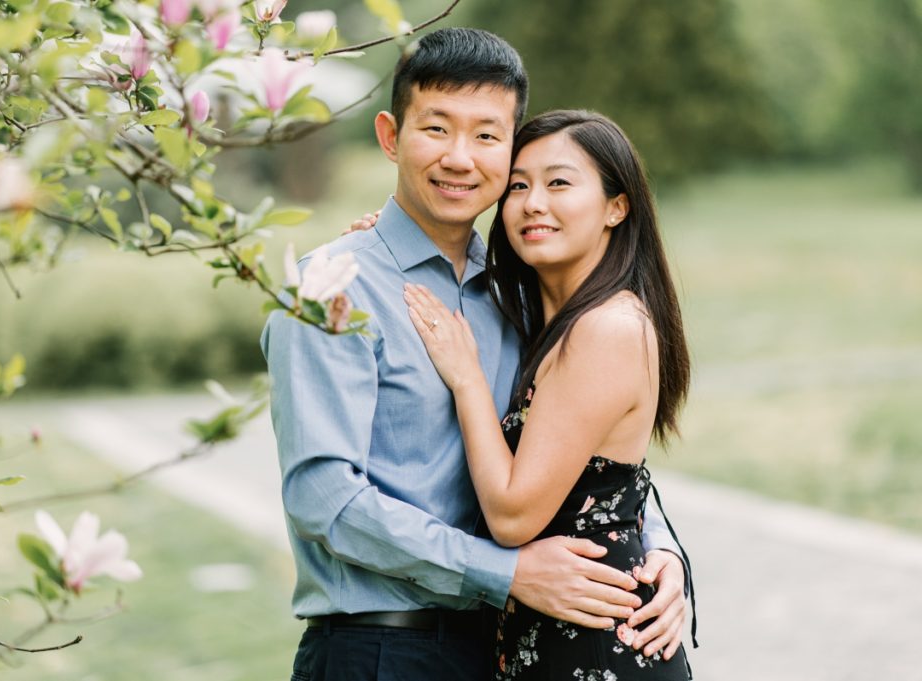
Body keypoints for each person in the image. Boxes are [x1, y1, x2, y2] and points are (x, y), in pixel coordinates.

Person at [261, 28, 689, 681]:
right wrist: (507, 572)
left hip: (504, 648)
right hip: (382, 649)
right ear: (390, 136)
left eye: (487, 135)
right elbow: (324, 497)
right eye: (436, 128)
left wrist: (662, 548)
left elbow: (583, 454)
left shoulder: (518, 297)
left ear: (510, 148)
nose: (461, 157)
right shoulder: (331, 289)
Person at [402, 109, 695, 679]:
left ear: (617, 206)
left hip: (595, 648)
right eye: (518, 186)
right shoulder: (542, 317)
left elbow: (513, 517)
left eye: (559, 182)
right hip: (551, 638)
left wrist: (467, 382)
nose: (533, 202)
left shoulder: (606, 329)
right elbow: (613, 480)